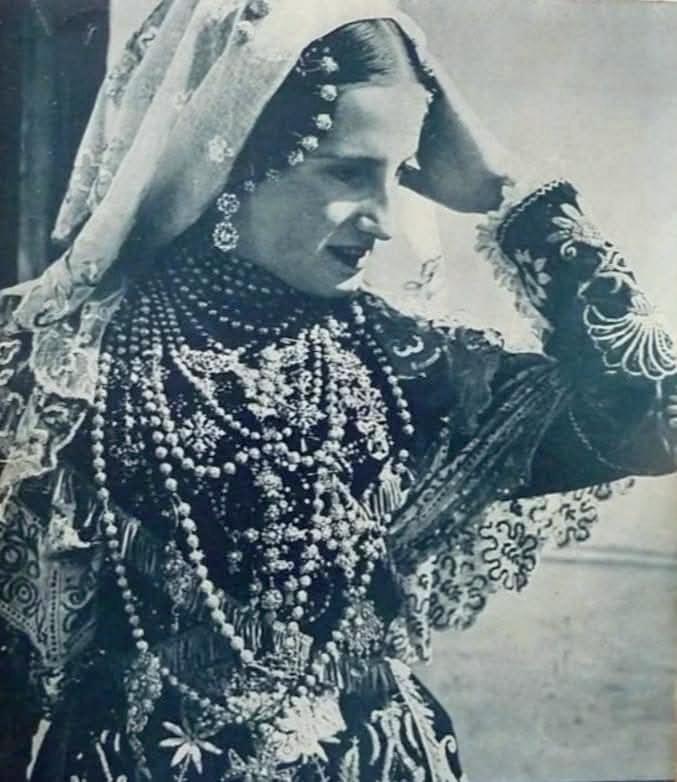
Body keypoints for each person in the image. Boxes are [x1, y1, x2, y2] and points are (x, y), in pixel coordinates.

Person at [0, 1, 675, 780]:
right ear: (236, 163)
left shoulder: (405, 363)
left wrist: (509, 192)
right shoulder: (63, 361)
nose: (384, 219)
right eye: (350, 173)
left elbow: (654, 414)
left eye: (399, 174)